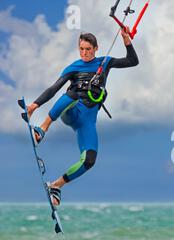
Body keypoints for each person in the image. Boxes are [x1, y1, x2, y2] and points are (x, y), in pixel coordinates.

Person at [26, 27, 139, 206]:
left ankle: (56, 186)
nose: (85, 53)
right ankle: (42, 129)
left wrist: (126, 39)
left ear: (96, 48)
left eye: (88, 49)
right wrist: (35, 105)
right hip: (71, 111)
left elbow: (133, 61)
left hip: (87, 121)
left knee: (89, 160)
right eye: (82, 49)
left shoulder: (105, 62)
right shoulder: (74, 68)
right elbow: (54, 88)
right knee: (74, 93)